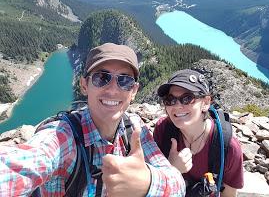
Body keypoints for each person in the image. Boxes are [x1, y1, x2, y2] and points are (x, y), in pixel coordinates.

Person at [0, 43, 185, 196]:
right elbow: (24, 163)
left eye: (125, 80)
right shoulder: (63, 137)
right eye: (102, 77)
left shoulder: (135, 128)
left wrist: (148, 182)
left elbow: (178, 184)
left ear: (134, 91)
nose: (113, 89)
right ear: (84, 85)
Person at [153, 69, 244, 197]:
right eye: (170, 99)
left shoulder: (228, 146)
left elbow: (228, 194)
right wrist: (172, 170)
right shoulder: (163, 130)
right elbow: (150, 183)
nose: (177, 106)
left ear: (206, 103)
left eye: (187, 98)